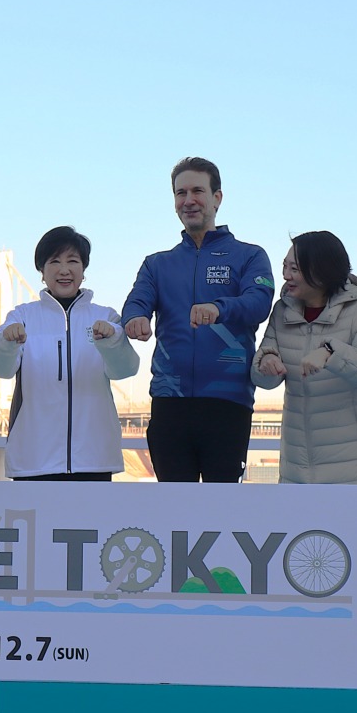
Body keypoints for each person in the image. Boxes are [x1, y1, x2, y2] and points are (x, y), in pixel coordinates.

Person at [121, 157, 274, 482]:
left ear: (217, 198)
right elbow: (136, 301)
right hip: (169, 403)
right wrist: (135, 318)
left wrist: (219, 308)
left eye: (197, 191)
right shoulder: (157, 264)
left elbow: (259, 302)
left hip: (227, 402)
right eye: (181, 193)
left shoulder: (250, 256)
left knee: (222, 504)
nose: (188, 200)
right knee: (174, 505)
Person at [0, 226, 139, 480]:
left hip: (94, 460)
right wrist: (6, 342)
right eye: (54, 261)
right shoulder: (22, 316)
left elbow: (126, 369)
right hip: (33, 460)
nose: (64, 270)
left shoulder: (106, 317)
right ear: (42, 272)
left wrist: (111, 341)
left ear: (84, 270)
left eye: (73, 261)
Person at [252, 231, 357, 484]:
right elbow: (264, 378)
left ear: (320, 272)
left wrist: (330, 352)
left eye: (294, 269)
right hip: (298, 465)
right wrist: (266, 362)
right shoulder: (282, 311)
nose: (286, 275)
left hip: (356, 466)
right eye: (285, 266)